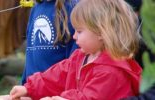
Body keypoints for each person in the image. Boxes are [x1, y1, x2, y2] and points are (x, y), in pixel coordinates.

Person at [10, 0, 142, 99]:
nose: (74, 36)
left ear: (101, 32)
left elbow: (89, 97)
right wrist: (29, 88)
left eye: (79, 31)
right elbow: (57, 76)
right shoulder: (80, 57)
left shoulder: (111, 71)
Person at [21, 0, 79, 85]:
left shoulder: (73, 7)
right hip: (30, 89)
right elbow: (30, 54)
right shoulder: (35, 8)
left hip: (55, 92)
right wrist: (24, 84)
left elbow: (74, 62)